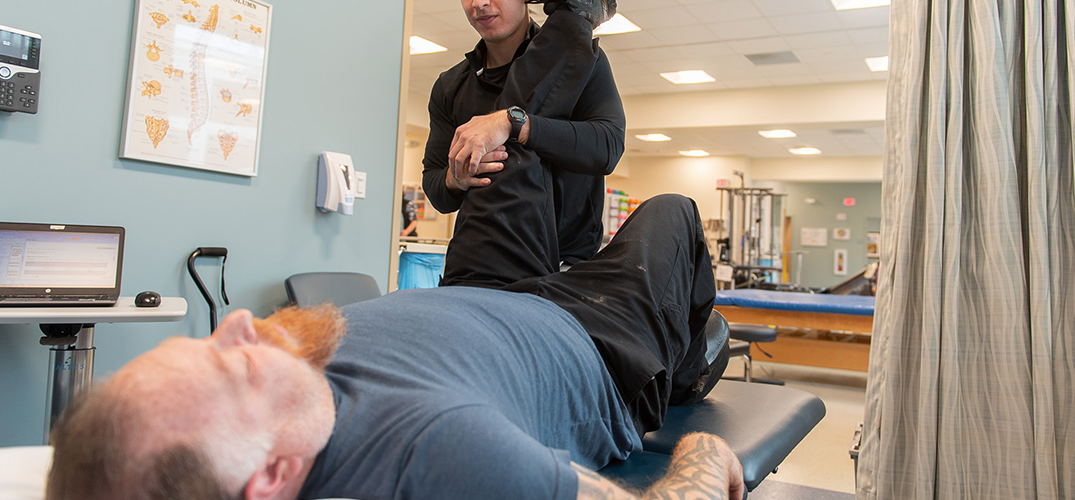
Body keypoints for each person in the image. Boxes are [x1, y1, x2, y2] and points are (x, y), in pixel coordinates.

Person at [46, 195, 742, 500]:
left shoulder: (293, 394)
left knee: (506, 170)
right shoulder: (435, 453)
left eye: (207, 342)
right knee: (671, 212)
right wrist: (703, 456)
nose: (237, 326)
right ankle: (686, 363)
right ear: (269, 477)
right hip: (595, 337)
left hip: (504, 294)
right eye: (236, 367)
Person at [422, 0, 626, 288]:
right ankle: (573, 17)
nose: (478, 1)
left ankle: (573, 16)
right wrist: (457, 176)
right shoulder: (451, 86)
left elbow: (607, 147)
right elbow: (436, 186)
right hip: (481, 263)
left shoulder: (586, 63)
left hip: (565, 272)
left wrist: (515, 124)